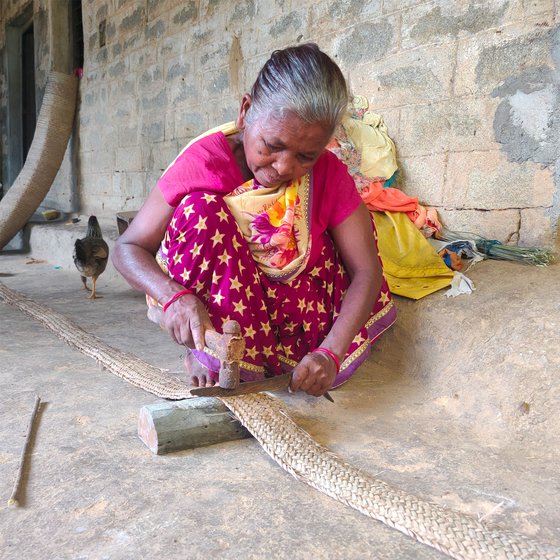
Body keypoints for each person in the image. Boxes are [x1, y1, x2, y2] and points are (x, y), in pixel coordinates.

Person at [112, 43, 396, 398]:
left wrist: (331, 352)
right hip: (227, 312)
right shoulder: (204, 163)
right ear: (245, 112)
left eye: (306, 156)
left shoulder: (328, 173)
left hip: (302, 323)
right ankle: (207, 350)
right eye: (272, 146)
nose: (284, 167)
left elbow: (366, 271)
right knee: (199, 213)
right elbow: (128, 248)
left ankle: (285, 361)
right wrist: (174, 298)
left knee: (352, 227)